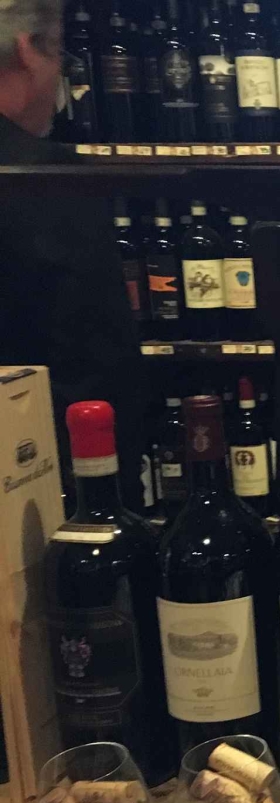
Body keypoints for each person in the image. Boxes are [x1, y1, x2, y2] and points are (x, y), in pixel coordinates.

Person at [0, 0, 146, 505]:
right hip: (32, 485)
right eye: (59, 53)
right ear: (27, 50)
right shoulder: (44, 180)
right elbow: (98, 365)